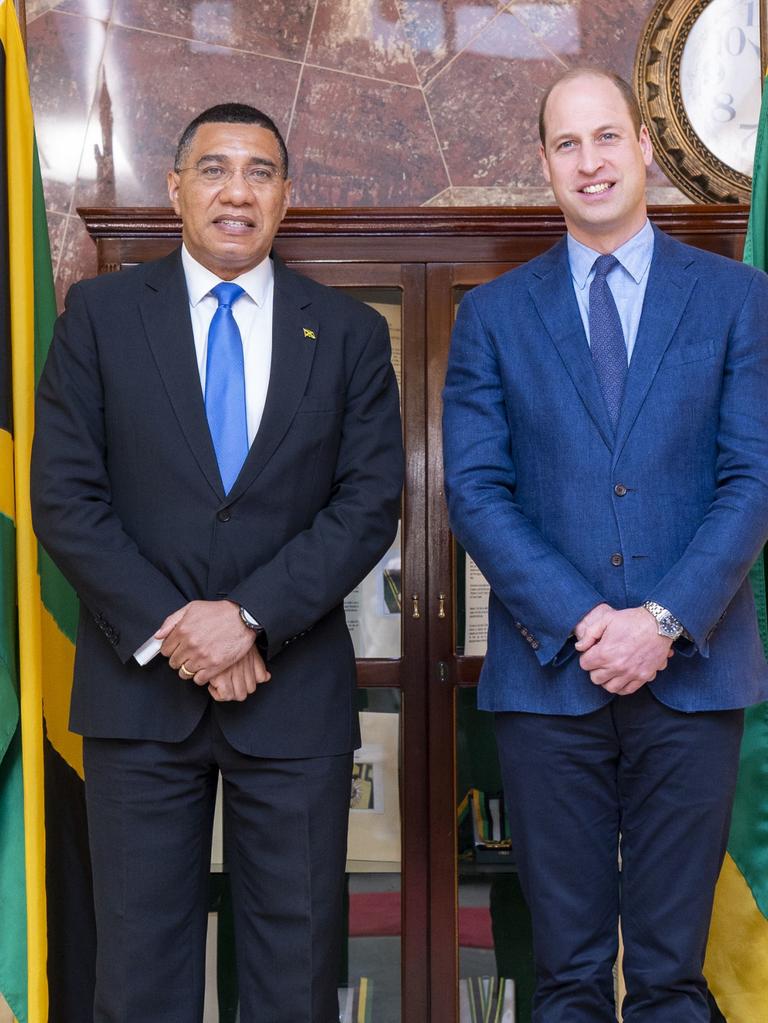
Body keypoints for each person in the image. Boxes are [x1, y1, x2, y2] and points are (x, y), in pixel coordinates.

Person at [31, 103, 403, 1023]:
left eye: (260, 172)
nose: (237, 191)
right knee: (141, 973)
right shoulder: (101, 316)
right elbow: (64, 498)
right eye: (213, 169)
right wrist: (177, 629)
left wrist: (242, 618)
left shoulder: (349, 332)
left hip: (293, 693)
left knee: (295, 972)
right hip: (139, 696)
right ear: (175, 188)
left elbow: (367, 505)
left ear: (286, 194)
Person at [442, 67, 768, 1021]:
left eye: (606, 138)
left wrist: (662, 621)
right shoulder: (493, 315)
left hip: (694, 676)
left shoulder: (739, 298)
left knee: (670, 974)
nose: (590, 162)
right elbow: (476, 491)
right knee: (569, 974)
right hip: (549, 682)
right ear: (545, 165)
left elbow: (752, 479)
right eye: (567, 145)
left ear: (644, 148)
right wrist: (591, 621)